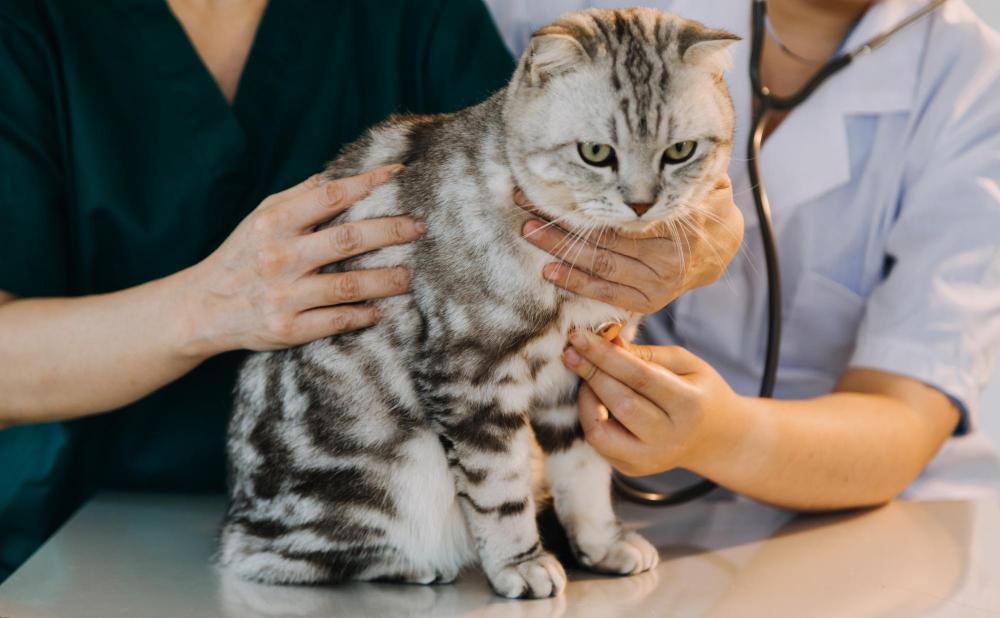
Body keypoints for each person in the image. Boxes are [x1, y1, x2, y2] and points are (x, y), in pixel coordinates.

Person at [0, 0, 743, 581]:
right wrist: (209, 308)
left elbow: (553, 163)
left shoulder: (415, 13)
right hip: (88, 536)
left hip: (433, 543)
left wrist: (707, 231)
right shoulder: (27, 28)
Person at [486, 0, 1000, 507]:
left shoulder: (974, 83)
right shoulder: (570, 16)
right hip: (589, 488)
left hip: (869, 508)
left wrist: (719, 435)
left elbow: (904, 415)